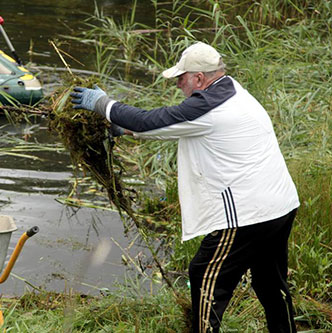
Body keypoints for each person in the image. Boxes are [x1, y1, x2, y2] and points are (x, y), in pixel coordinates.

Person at [70, 42, 300, 333]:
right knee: (270, 282)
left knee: (204, 275)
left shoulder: (207, 106)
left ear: (199, 78)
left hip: (247, 214)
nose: (178, 83)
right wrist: (124, 129)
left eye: (181, 77)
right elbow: (174, 126)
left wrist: (103, 103)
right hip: (280, 205)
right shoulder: (231, 90)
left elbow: (148, 120)